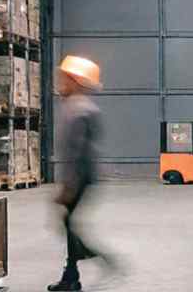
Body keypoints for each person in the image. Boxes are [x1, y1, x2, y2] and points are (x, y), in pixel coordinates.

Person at [51, 55, 121, 291]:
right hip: (81, 176)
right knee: (68, 223)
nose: (60, 82)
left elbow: (77, 152)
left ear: (75, 81)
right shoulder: (77, 106)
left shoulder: (79, 110)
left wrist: (69, 186)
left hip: (80, 177)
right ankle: (72, 276)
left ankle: (92, 260)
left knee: (68, 224)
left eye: (64, 78)